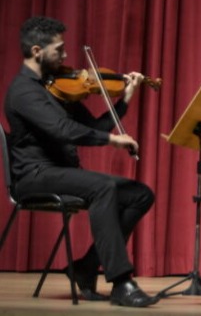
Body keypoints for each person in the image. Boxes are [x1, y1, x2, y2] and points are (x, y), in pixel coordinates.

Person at [3, 16, 157, 307]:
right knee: (102, 188)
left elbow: (96, 128)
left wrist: (125, 98)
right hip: (34, 175)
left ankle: (85, 267)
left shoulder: (56, 88)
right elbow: (65, 131)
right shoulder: (24, 92)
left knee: (140, 194)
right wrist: (115, 142)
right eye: (59, 49)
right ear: (37, 51)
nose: (65, 56)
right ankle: (121, 282)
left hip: (60, 172)